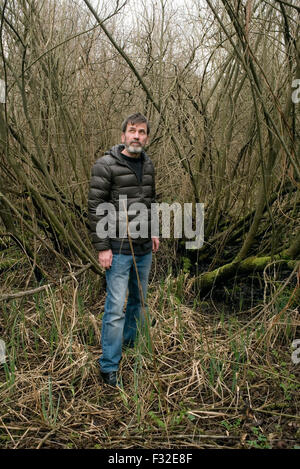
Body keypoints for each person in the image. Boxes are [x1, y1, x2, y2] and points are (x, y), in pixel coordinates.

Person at [88, 112, 159, 387]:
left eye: (142, 132)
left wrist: (153, 230)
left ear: (147, 138)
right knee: (115, 307)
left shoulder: (149, 164)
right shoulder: (105, 165)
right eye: (132, 131)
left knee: (138, 303)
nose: (137, 136)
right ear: (123, 136)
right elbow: (95, 209)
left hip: (143, 249)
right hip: (116, 250)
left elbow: (150, 201)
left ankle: (128, 347)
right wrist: (103, 247)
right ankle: (109, 366)